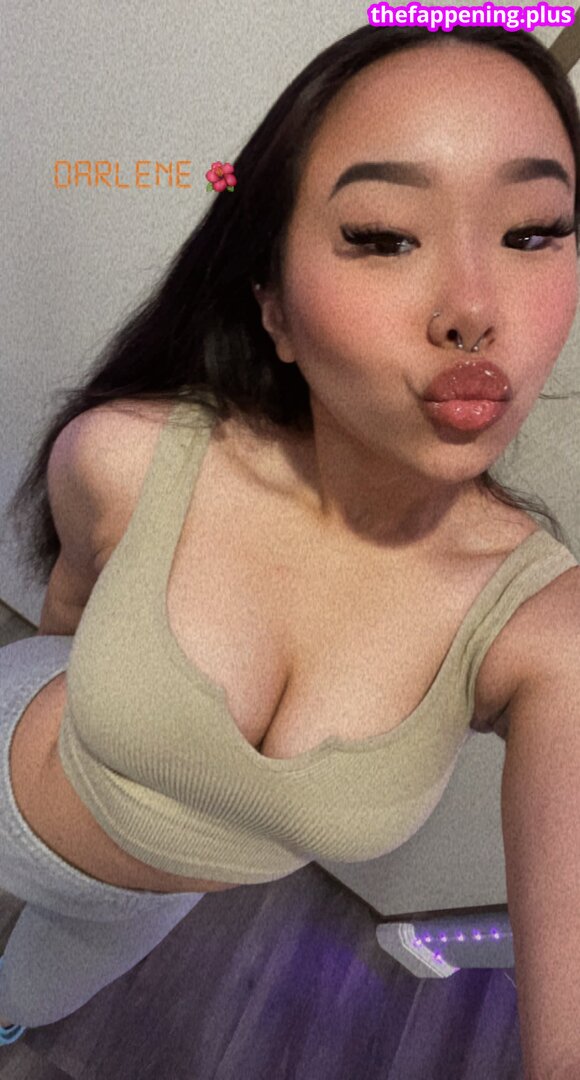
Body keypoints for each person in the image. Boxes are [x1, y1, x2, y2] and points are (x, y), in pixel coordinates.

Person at [2, 23, 579, 1071]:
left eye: (534, 231)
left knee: (27, 995)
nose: (473, 309)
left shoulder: (543, 631)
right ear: (273, 310)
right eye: (382, 236)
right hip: (14, 767)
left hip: (148, 904)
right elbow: (69, 612)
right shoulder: (127, 455)